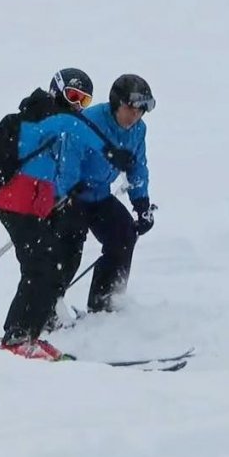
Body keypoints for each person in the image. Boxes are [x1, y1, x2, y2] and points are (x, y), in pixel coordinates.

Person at [0, 68, 129, 360]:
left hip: (38, 209)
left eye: (83, 101)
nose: (76, 105)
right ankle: (17, 337)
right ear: (56, 90)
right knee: (41, 268)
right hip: (15, 206)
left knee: (51, 267)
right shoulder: (31, 119)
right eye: (73, 96)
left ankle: (29, 333)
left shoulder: (61, 127)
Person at [54, 74, 157, 316]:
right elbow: (68, 159)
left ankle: (105, 301)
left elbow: (137, 165)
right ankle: (48, 308)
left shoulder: (138, 130)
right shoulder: (89, 121)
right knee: (69, 249)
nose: (135, 116)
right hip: (71, 196)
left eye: (141, 111)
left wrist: (142, 204)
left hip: (99, 195)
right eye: (131, 109)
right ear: (116, 103)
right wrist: (70, 188)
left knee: (123, 235)